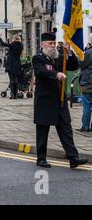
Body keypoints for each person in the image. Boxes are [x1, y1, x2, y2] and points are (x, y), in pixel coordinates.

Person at [32, 32, 88, 169]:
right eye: (50, 44)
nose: (53, 46)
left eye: (54, 43)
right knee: (43, 130)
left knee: (66, 128)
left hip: (59, 99)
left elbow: (73, 66)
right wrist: (56, 74)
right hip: (44, 100)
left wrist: (69, 52)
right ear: (43, 44)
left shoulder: (58, 58)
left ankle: (73, 157)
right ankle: (41, 158)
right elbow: (40, 72)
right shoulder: (38, 58)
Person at [0, 34, 23, 99]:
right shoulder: (21, 45)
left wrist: (0, 38)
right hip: (17, 64)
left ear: (14, 39)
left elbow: (3, 44)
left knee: (11, 80)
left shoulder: (12, 45)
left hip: (11, 64)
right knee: (16, 80)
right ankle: (16, 94)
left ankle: (12, 94)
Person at [78, 36, 92, 132]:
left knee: (87, 106)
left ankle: (85, 126)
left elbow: (81, 63)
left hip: (88, 83)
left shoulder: (89, 53)